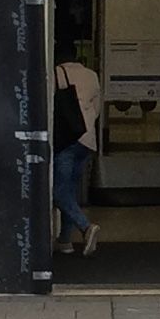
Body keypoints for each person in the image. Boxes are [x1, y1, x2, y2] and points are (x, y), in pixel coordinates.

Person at [53, 43, 103, 258]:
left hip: (66, 141)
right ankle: (65, 240)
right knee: (69, 190)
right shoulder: (91, 75)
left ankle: (85, 227)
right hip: (87, 141)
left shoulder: (55, 73)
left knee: (58, 192)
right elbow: (96, 109)